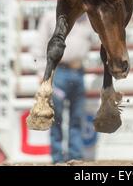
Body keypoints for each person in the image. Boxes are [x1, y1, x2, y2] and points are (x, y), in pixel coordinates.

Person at [33, 12, 93, 163]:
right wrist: (42, 72)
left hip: (78, 71)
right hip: (58, 71)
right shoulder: (50, 17)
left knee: (77, 116)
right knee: (56, 116)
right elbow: (39, 44)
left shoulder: (88, 18)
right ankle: (58, 157)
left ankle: (75, 155)